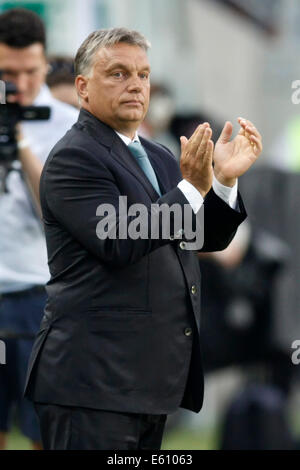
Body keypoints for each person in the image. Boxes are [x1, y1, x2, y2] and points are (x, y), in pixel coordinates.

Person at [24, 27, 262, 450]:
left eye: (143, 74)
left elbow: (197, 235)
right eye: (117, 73)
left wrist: (223, 180)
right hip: (92, 385)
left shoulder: (158, 155)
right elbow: (122, 238)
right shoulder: (73, 157)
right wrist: (191, 186)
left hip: (146, 383)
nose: (135, 84)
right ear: (82, 87)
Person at [0, 8, 78, 450]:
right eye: (7, 73)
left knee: (42, 432)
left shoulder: (66, 123)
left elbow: (54, 212)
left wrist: (20, 140)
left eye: (31, 71)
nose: (21, 83)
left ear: (45, 64)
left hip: (38, 297)